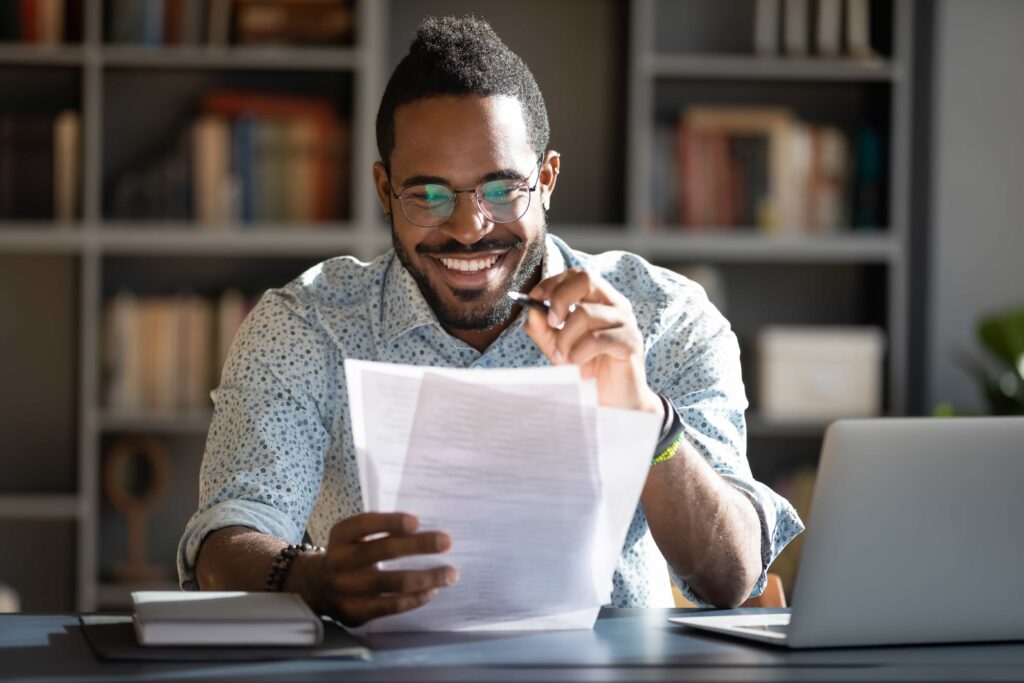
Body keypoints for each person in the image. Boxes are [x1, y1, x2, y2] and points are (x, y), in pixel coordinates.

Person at [179, 15, 803, 627]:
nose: (469, 227)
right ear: (383, 190)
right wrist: (312, 580)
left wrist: (645, 417)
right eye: (427, 194)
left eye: (502, 189)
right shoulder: (307, 326)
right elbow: (224, 544)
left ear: (548, 179)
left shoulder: (665, 316)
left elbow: (732, 576)